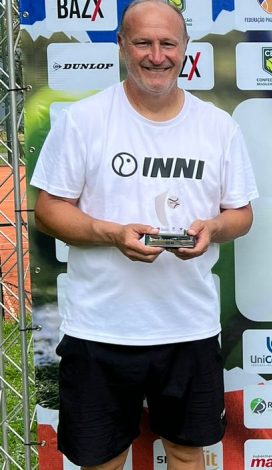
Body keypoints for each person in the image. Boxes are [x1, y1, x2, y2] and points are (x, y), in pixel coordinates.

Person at [31, 1, 258, 468]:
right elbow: (48, 212)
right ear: (121, 46)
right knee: (101, 460)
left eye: (167, 43)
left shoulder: (218, 126)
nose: (157, 55)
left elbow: (241, 213)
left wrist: (213, 227)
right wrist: (111, 234)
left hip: (188, 326)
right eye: (143, 43)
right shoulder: (83, 120)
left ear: (185, 48)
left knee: (187, 453)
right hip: (100, 327)